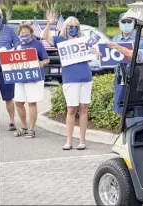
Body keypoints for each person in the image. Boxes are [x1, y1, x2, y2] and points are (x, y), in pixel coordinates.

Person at [42, 12, 93, 150]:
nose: (73, 28)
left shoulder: (83, 40)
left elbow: (91, 55)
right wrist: (49, 23)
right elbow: (44, 37)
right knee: (71, 109)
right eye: (70, 26)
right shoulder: (60, 40)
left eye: (75, 26)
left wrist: (95, 52)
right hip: (70, 79)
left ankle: (82, 140)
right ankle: (69, 140)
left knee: (83, 108)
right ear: (66, 27)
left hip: (85, 77)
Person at [13, 23, 50, 138]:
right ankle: (23, 127)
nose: (24, 34)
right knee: (18, 102)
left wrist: (40, 64)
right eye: (22, 32)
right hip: (20, 78)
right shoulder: (18, 45)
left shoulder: (37, 44)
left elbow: (46, 59)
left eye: (26, 31)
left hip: (34, 78)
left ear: (31, 32)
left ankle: (32, 129)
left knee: (31, 102)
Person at [111, 13, 143, 114]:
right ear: (119, 23)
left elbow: (142, 58)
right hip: (120, 77)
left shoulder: (141, 39)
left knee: (135, 107)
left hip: (137, 77)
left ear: (133, 23)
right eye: (123, 21)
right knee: (120, 108)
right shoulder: (115, 39)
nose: (126, 24)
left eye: (129, 21)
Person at [0, 9, 20, 131]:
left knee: (8, 98)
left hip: (5, 70)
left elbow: (18, 45)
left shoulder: (9, 30)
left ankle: (12, 121)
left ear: (1, 17)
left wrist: (9, 51)